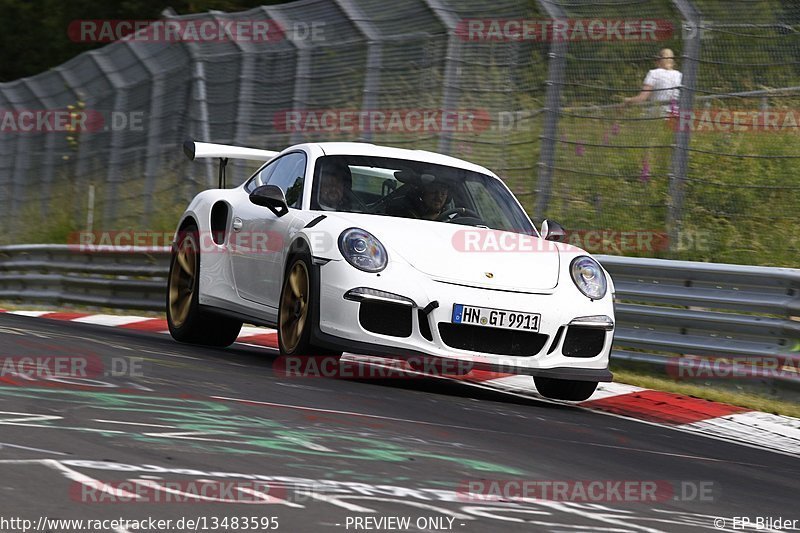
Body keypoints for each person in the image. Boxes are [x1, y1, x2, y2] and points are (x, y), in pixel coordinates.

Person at [624, 48, 682, 116]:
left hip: (656, 116)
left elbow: (642, 98)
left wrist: (628, 100)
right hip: (674, 117)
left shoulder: (654, 73)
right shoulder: (680, 75)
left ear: (659, 61)